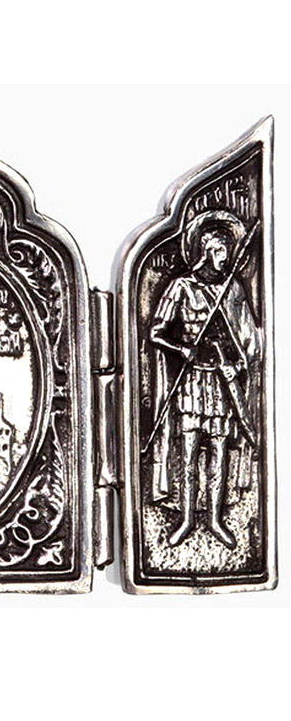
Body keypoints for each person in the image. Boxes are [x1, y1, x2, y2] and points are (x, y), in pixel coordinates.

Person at [149, 210, 261, 549]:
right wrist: (181, 348)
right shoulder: (181, 287)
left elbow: (250, 341)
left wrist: (238, 368)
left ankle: (214, 519)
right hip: (192, 381)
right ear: (205, 251)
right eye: (220, 250)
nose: (225, 256)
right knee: (188, 451)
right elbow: (155, 333)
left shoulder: (233, 289)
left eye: (228, 250)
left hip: (221, 383)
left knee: (218, 451)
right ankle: (186, 519)